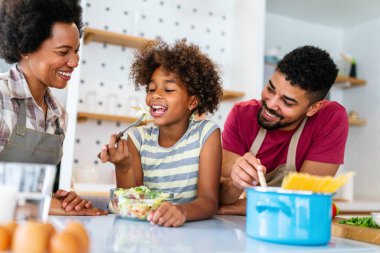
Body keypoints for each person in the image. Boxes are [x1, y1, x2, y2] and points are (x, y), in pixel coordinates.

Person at [100, 39, 223, 227]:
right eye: (151, 89)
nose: (155, 95)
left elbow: (209, 201)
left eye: (168, 89)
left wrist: (182, 211)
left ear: (192, 102)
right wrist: (123, 166)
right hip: (146, 232)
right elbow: (132, 203)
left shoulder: (206, 134)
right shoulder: (137, 138)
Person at [0, 0, 107, 216]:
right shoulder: (2, 98)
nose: (75, 62)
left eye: (76, 51)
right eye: (62, 52)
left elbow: (36, 188)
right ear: (25, 48)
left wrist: (60, 200)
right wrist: (45, 206)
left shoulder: (59, 115)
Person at [218, 45, 349, 215]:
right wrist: (235, 183)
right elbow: (221, 195)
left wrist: (231, 208)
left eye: (287, 102)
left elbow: (304, 199)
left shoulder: (331, 118)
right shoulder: (241, 115)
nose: (270, 104)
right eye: (270, 89)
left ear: (313, 108)